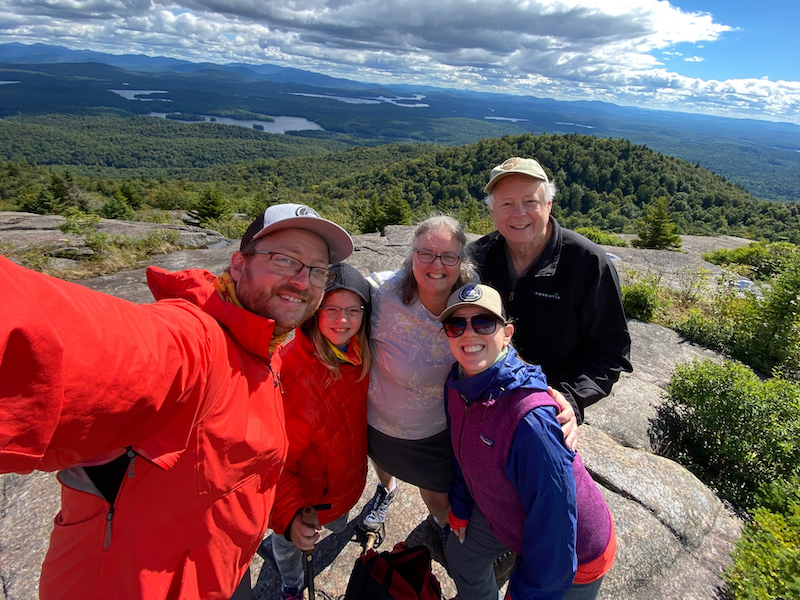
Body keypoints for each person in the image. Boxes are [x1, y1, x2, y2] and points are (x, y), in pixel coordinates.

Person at [0, 203, 353, 600]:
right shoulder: (192, 342)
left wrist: (285, 515)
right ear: (238, 265)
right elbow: (56, 338)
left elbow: (242, 473)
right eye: (285, 260)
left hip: (219, 573)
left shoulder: (261, 348)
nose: (303, 282)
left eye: (317, 270)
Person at [440, 283, 616, 600]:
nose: (469, 334)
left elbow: (555, 528)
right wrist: (461, 505)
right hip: (507, 516)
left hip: (574, 553)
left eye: (483, 323)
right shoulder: (457, 382)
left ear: (507, 333)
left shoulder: (530, 418)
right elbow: (462, 452)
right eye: (456, 325)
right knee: (461, 555)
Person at [468, 157, 632, 424]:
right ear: (492, 212)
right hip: (484, 400)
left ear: (548, 205)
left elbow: (610, 350)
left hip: (549, 408)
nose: (519, 213)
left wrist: (570, 398)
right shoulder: (478, 257)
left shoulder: (586, 262)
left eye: (530, 202)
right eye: (507, 203)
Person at [361, 214, 474, 544]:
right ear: (412, 256)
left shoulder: (470, 302)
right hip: (378, 423)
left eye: (448, 256)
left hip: (434, 431)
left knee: (439, 500)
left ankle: (442, 527)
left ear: (460, 261)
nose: (436, 264)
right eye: (425, 253)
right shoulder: (382, 295)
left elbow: (499, 346)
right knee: (382, 465)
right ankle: (386, 489)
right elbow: (338, 302)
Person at [269, 262, 372, 600]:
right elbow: (274, 458)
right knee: (288, 546)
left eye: (353, 310)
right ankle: (291, 586)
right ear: (315, 311)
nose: (343, 320)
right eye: (332, 309)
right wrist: (288, 512)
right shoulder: (287, 368)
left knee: (337, 524)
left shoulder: (362, 356)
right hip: (301, 499)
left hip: (344, 487)